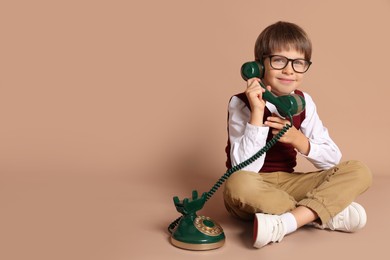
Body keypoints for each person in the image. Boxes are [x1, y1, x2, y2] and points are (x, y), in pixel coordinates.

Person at [223, 21, 372, 248]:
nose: (289, 70)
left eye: (298, 63)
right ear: (259, 66)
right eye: (279, 60)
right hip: (255, 185)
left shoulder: (304, 101)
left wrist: (300, 141)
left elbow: (332, 159)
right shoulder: (240, 103)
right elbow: (243, 169)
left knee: (358, 171)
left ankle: (286, 222)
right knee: (236, 184)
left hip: (289, 182)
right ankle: (321, 212)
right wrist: (257, 113)